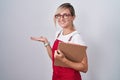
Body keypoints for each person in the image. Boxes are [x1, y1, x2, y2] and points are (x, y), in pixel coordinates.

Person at [31, 3, 88, 80]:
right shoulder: (58, 34)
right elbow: (55, 59)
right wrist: (46, 43)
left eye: (65, 15)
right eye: (59, 15)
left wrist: (64, 60)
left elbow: (84, 68)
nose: (61, 18)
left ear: (73, 17)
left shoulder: (76, 37)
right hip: (56, 77)